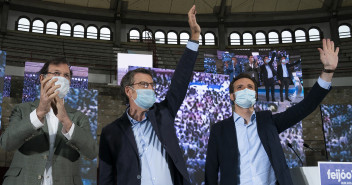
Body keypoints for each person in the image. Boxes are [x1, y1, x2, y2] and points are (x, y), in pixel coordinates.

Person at [205, 39, 339, 185]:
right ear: (232, 96)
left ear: (255, 95)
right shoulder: (219, 130)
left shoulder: (268, 121)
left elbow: (305, 107)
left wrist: (328, 71)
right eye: (240, 87)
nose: (245, 90)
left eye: (250, 87)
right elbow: (210, 173)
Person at [98, 5, 200, 185]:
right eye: (144, 84)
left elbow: (180, 81)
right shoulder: (111, 132)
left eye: (152, 85)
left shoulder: (163, 114)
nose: (150, 88)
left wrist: (194, 38)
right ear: (129, 91)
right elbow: (106, 179)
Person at [0, 59, 98, 185]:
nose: (62, 78)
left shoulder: (79, 117)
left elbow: (91, 152)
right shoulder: (22, 110)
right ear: (42, 78)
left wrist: (66, 120)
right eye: (56, 73)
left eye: (66, 75)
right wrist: (39, 112)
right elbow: (7, 143)